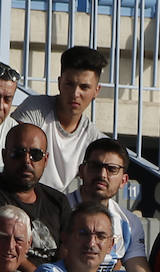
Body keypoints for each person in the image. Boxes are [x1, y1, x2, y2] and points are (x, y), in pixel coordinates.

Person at [0, 124, 71, 272]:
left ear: (45, 159)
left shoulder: (58, 201)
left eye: (35, 154)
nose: (26, 161)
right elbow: (9, 253)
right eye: (17, 153)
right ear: (4, 156)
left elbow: (69, 250)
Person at [11, 47, 105, 194]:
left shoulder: (93, 137)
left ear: (96, 91)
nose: (75, 94)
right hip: (15, 192)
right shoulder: (36, 108)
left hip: (52, 206)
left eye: (84, 87)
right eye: (69, 84)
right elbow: (13, 156)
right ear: (60, 83)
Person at [67, 139, 153, 272]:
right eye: (95, 166)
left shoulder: (129, 222)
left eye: (112, 169)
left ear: (124, 181)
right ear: (81, 171)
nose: (102, 175)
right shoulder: (62, 209)